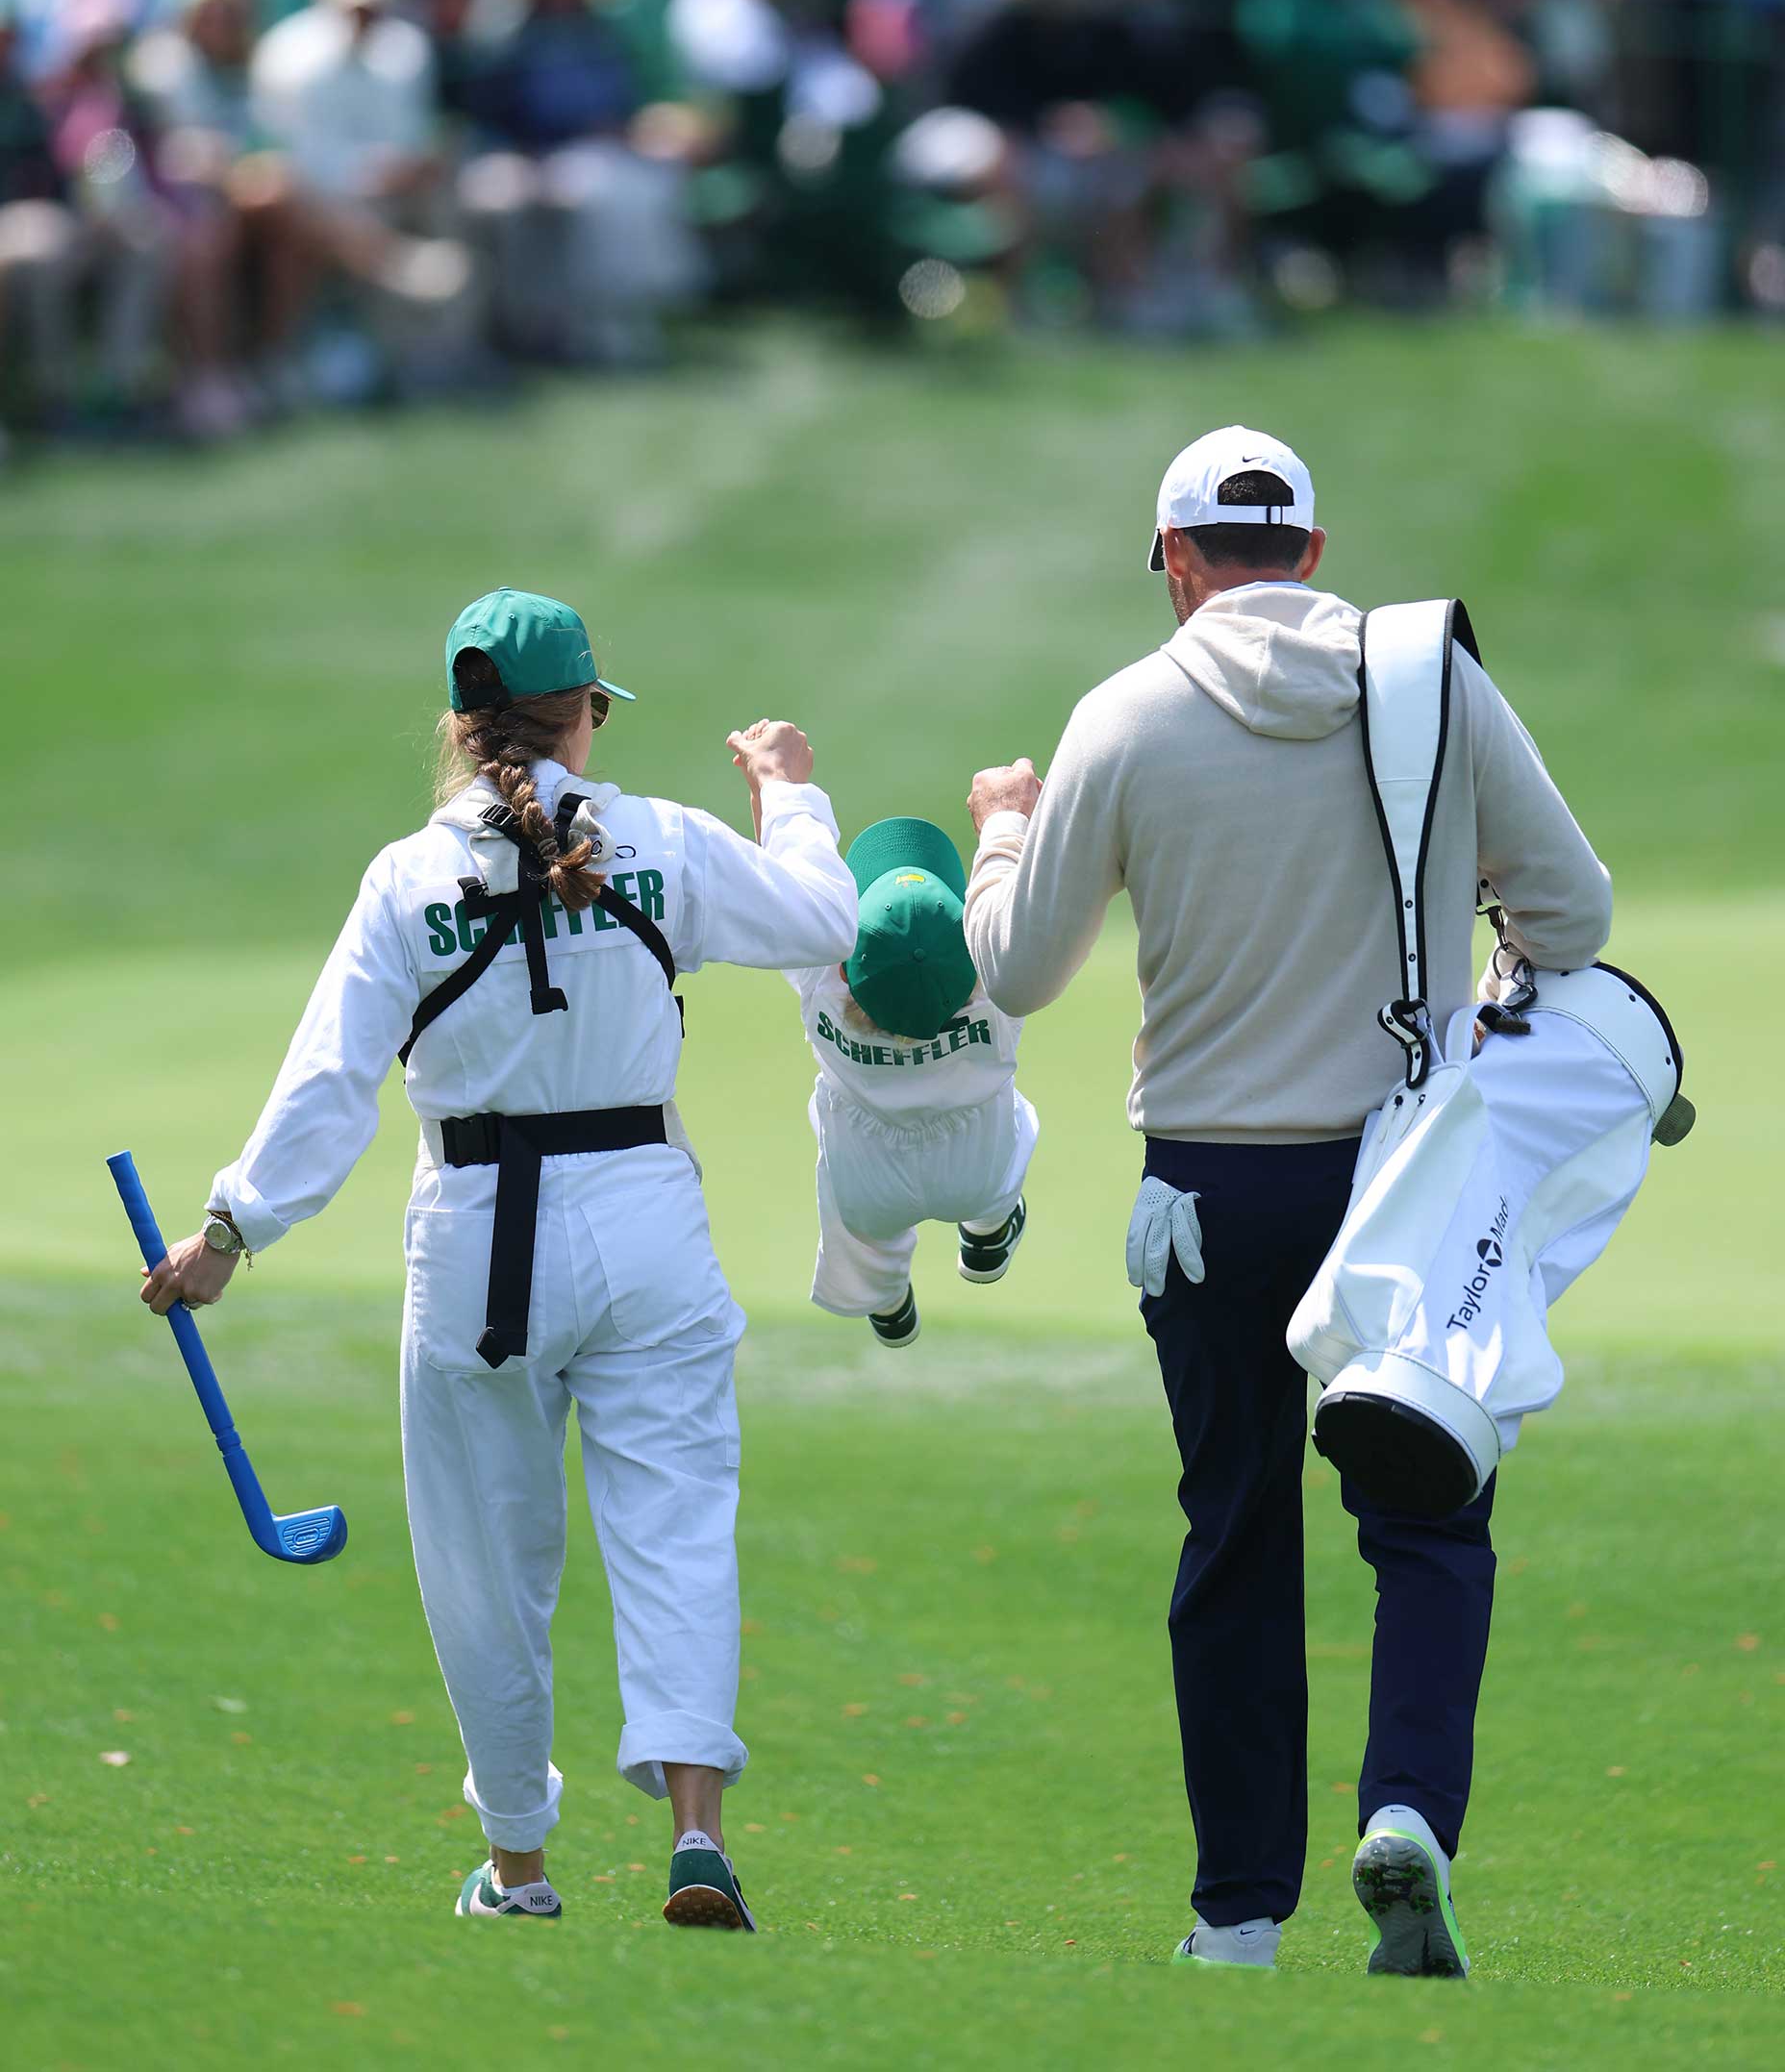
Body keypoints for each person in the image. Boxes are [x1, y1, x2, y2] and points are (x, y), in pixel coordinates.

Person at [960, 428, 1613, 1974]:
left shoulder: (1122, 712)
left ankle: (1239, 1916)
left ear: (1175, 558)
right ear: (1312, 553)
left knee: (1238, 1534)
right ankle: (1408, 1818)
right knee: (1432, 1520)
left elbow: (1016, 969)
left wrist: (1002, 822)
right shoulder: (1429, 683)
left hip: (1205, 1194)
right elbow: (1574, 912)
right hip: (1406, 1182)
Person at [138, 587, 859, 1928]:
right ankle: (698, 1833)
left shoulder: (409, 876)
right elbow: (827, 919)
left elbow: (329, 1079)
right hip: (648, 1216)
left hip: (476, 1237)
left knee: (484, 1563)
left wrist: (231, 1231)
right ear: (582, 716)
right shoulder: (664, 840)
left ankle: (520, 1866)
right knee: (680, 1529)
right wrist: (791, 793)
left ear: (463, 732)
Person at [781, 816, 1037, 1347]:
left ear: (847, 969)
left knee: (844, 1190)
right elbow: (1017, 910)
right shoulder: (997, 991)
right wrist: (1006, 822)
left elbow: (792, 888)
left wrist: (776, 788)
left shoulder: (821, 987)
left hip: (867, 1193)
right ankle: (989, 1230)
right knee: (1011, 1114)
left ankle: (884, 1296)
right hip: (979, 1173)